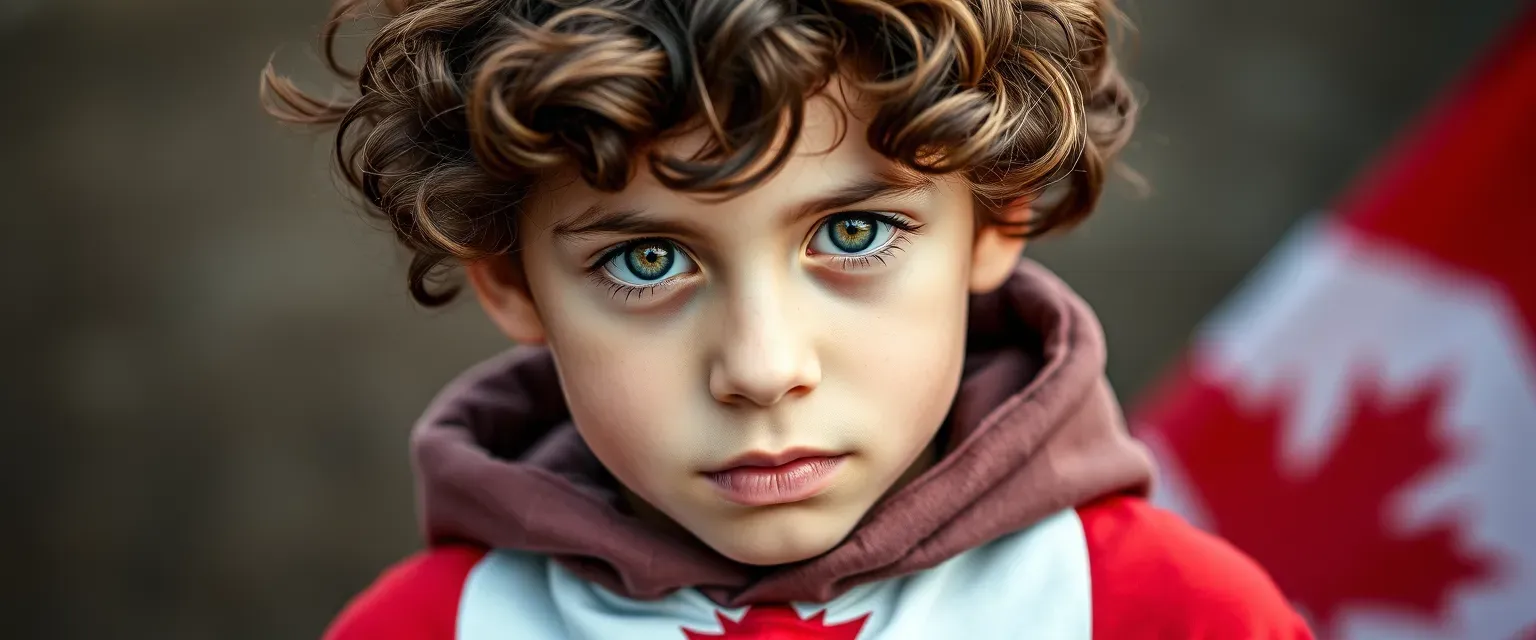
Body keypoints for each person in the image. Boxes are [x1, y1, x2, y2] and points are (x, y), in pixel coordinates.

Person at [263, 0, 1313, 637]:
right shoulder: (426, 633)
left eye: (851, 236)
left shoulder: (1176, 618)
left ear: (999, 213)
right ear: (509, 280)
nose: (763, 368)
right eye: (649, 258)